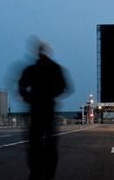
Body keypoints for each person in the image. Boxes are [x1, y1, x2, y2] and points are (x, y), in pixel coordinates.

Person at [18, 38, 70, 180]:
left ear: (37, 51)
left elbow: (21, 85)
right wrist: (52, 95)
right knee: (50, 144)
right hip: (48, 110)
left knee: (34, 143)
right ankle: (49, 174)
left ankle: (36, 172)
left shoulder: (31, 69)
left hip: (35, 110)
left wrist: (28, 97)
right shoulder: (55, 68)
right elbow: (66, 87)